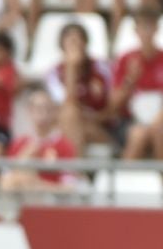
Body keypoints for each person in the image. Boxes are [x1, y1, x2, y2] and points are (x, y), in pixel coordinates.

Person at [110, 8, 163, 164]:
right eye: (143, 27)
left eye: (150, 26)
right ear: (135, 30)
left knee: (160, 131)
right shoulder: (125, 60)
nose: (146, 32)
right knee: (138, 134)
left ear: (157, 29)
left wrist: (158, 119)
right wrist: (130, 79)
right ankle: (125, 181)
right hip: (131, 121)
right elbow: (114, 104)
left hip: (162, 120)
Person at [49, 21, 116, 154]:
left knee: (71, 118)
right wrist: (71, 68)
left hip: (101, 128)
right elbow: (66, 105)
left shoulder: (102, 68)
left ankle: (72, 171)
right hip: (71, 125)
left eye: (78, 40)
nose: (75, 45)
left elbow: (114, 108)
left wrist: (94, 118)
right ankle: (76, 170)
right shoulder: (54, 73)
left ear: (85, 43)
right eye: (70, 42)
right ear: (62, 46)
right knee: (70, 115)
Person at [0, 91, 80, 191]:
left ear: (55, 112)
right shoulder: (19, 143)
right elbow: (4, 183)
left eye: (47, 108)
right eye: (38, 108)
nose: (43, 113)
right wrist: (24, 157)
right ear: (30, 111)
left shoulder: (65, 146)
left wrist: (36, 185)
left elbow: (70, 187)